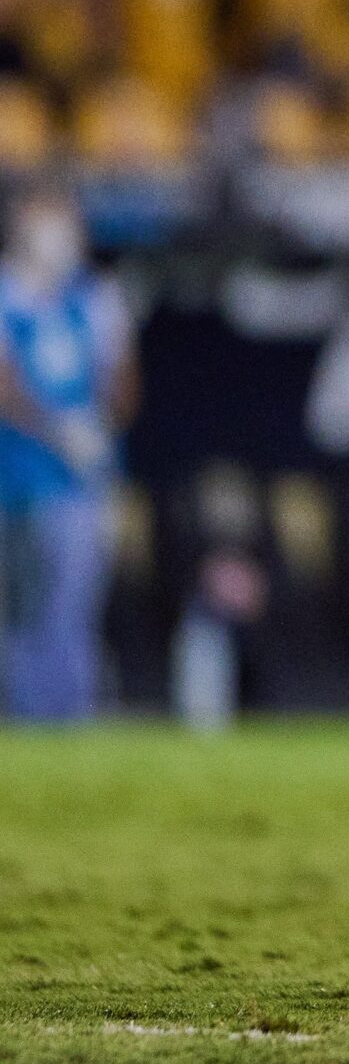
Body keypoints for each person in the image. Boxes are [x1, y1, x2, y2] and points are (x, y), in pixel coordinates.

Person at [0, 184, 136, 721]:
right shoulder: (7, 293)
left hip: (83, 482)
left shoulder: (96, 296)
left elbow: (123, 380)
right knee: (24, 606)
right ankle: (26, 714)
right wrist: (58, 430)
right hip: (18, 477)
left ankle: (71, 714)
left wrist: (100, 426)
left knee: (74, 607)